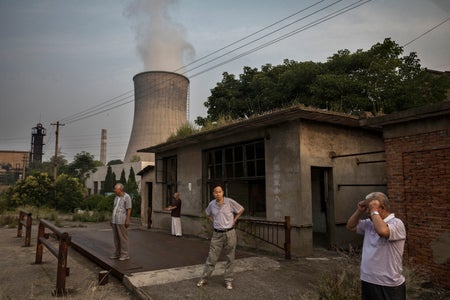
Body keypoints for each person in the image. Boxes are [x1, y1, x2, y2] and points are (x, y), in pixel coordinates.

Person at [346, 192, 406, 300]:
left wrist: (374, 210)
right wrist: (359, 210)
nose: (368, 212)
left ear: (381, 208)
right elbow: (351, 226)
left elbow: (383, 231)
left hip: (388, 285)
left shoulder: (397, 223)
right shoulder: (370, 224)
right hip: (368, 280)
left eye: (370, 208)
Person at [196, 185, 245, 290]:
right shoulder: (211, 204)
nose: (218, 194)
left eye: (220, 192)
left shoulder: (230, 202)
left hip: (230, 233)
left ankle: (228, 281)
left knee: (230, 258)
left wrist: (234, 220)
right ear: (213, 194)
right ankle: (204, 279)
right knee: (212, 257)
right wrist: (213, 221)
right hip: (217, 234)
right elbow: (207, 213)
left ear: (223, 192)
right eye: (215, 192)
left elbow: (241, 209)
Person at [110, 183, 132, 261]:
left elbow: (129, 209)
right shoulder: (116, 197)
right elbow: (114, 208)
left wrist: (127, 220)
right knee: (116, 238)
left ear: (120, 189)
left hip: (122, 220)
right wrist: (111, 219)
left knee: (123, 238)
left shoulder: (127, 197)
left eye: (116, 189)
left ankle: (124, 254)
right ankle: (117, 253)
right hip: (114, 220)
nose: (114, 190)